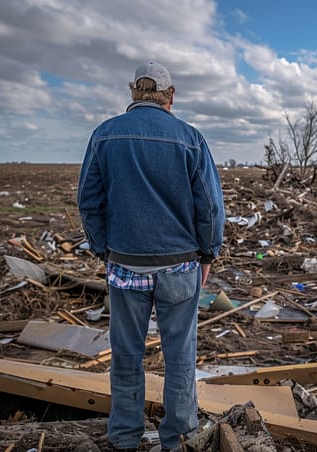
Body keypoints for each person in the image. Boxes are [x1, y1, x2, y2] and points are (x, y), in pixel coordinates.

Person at [77, 62, 225, 452]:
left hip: (126, 265)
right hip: (180, 266)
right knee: (180, 357)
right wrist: (208, 254)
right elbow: (209, 207)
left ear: (133, 92)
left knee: (126, 354)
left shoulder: (105, 135)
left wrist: (102, 249)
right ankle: (177, 440)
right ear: (170, 95)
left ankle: (124, 437)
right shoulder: (191, 138)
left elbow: (88, 201)